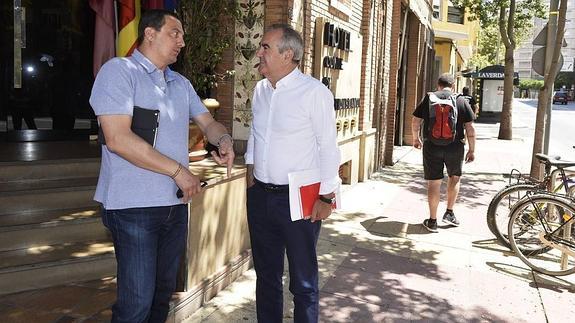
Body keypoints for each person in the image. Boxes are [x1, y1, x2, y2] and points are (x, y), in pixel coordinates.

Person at [89, 9, 234, 323]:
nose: (182, 41)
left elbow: (209, 124)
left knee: (159, 300)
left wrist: (223, 141)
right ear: (149, 34)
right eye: (175, 33)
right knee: (136, 305)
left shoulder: (179, 83)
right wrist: (180, 171)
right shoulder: (119, 71)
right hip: (133, 209)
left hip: (174, 207)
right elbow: (117, 139)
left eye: (182, 35)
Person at [244, 24, 340, 322]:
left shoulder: (315, 93)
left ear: (287, 55)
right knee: (266, 277)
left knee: (303, 282)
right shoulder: (260, 89)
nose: (258, 52)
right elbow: (256, 134)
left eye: (265, 48)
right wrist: (250, 168)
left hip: (300, 199)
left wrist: (327, 196)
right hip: (260, 197)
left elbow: (328, 147)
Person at [411, 73, 476, 233]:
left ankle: (432, 221)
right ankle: (449, 213)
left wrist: (416, 139)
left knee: (434, 182)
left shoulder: (429, 98)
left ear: (438, 85)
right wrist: (472, 149)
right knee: (454, 178)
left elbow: (415, 120)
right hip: (455, 147)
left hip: (431, 146)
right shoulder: (460, 100)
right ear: (453, 86)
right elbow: (470, 128)